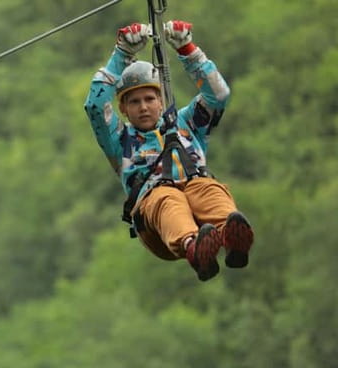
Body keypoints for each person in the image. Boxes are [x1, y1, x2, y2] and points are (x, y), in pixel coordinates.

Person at [84, 20, 254, 281]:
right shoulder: (120, 140)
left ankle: (231, 238)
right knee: (167, 196)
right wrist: (122, 53)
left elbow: (218, 95)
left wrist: (188, 49)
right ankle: (194, 248)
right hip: (156, 223)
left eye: (149, 99)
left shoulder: (186, 124)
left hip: (197, 197)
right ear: (123, 109)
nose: (143, 107)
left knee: (205, 187)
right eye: (134, 102)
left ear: (161, 100)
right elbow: (95, 107)